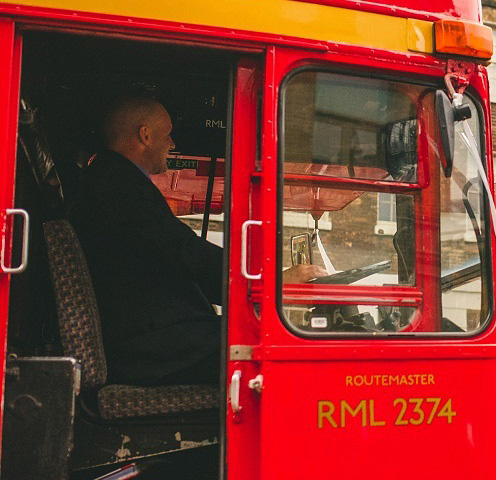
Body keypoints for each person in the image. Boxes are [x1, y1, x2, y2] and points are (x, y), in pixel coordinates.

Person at [70, 96, 322, 387]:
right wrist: (266, 283)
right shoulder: (117, 185)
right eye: (167, 135)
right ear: (145, 136)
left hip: (151, 335)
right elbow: (181, 250)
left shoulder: (112, 179)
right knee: (288, 359)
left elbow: (171, 252)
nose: (172, 144)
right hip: (150, 349)